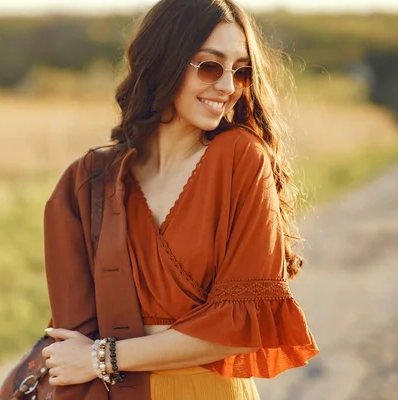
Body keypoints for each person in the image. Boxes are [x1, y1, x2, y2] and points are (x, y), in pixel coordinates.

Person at [40, 0, 320, 399]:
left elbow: (242, 331)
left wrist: (104, 357)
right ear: (163, 62)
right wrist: (90, 360)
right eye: (209, 66)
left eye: (241, 72)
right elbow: (71, 338)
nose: (226, 87)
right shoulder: (87, 182)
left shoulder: (240, 159)